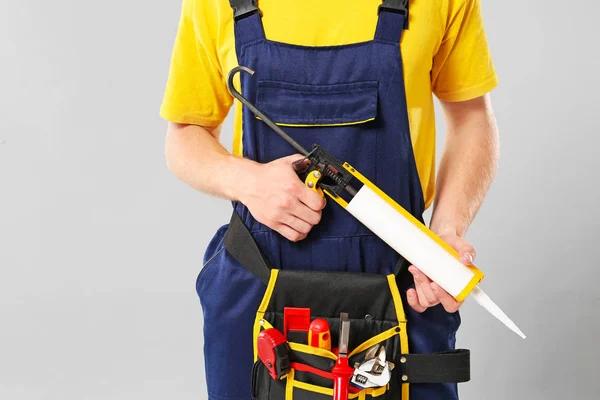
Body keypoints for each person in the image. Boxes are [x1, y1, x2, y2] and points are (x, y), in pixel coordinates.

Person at [160, 0, 499, 399]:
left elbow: (471, 118)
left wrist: (443, 235)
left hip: (399, 285)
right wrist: (248, 181)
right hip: (258, 284)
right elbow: (184, 134)